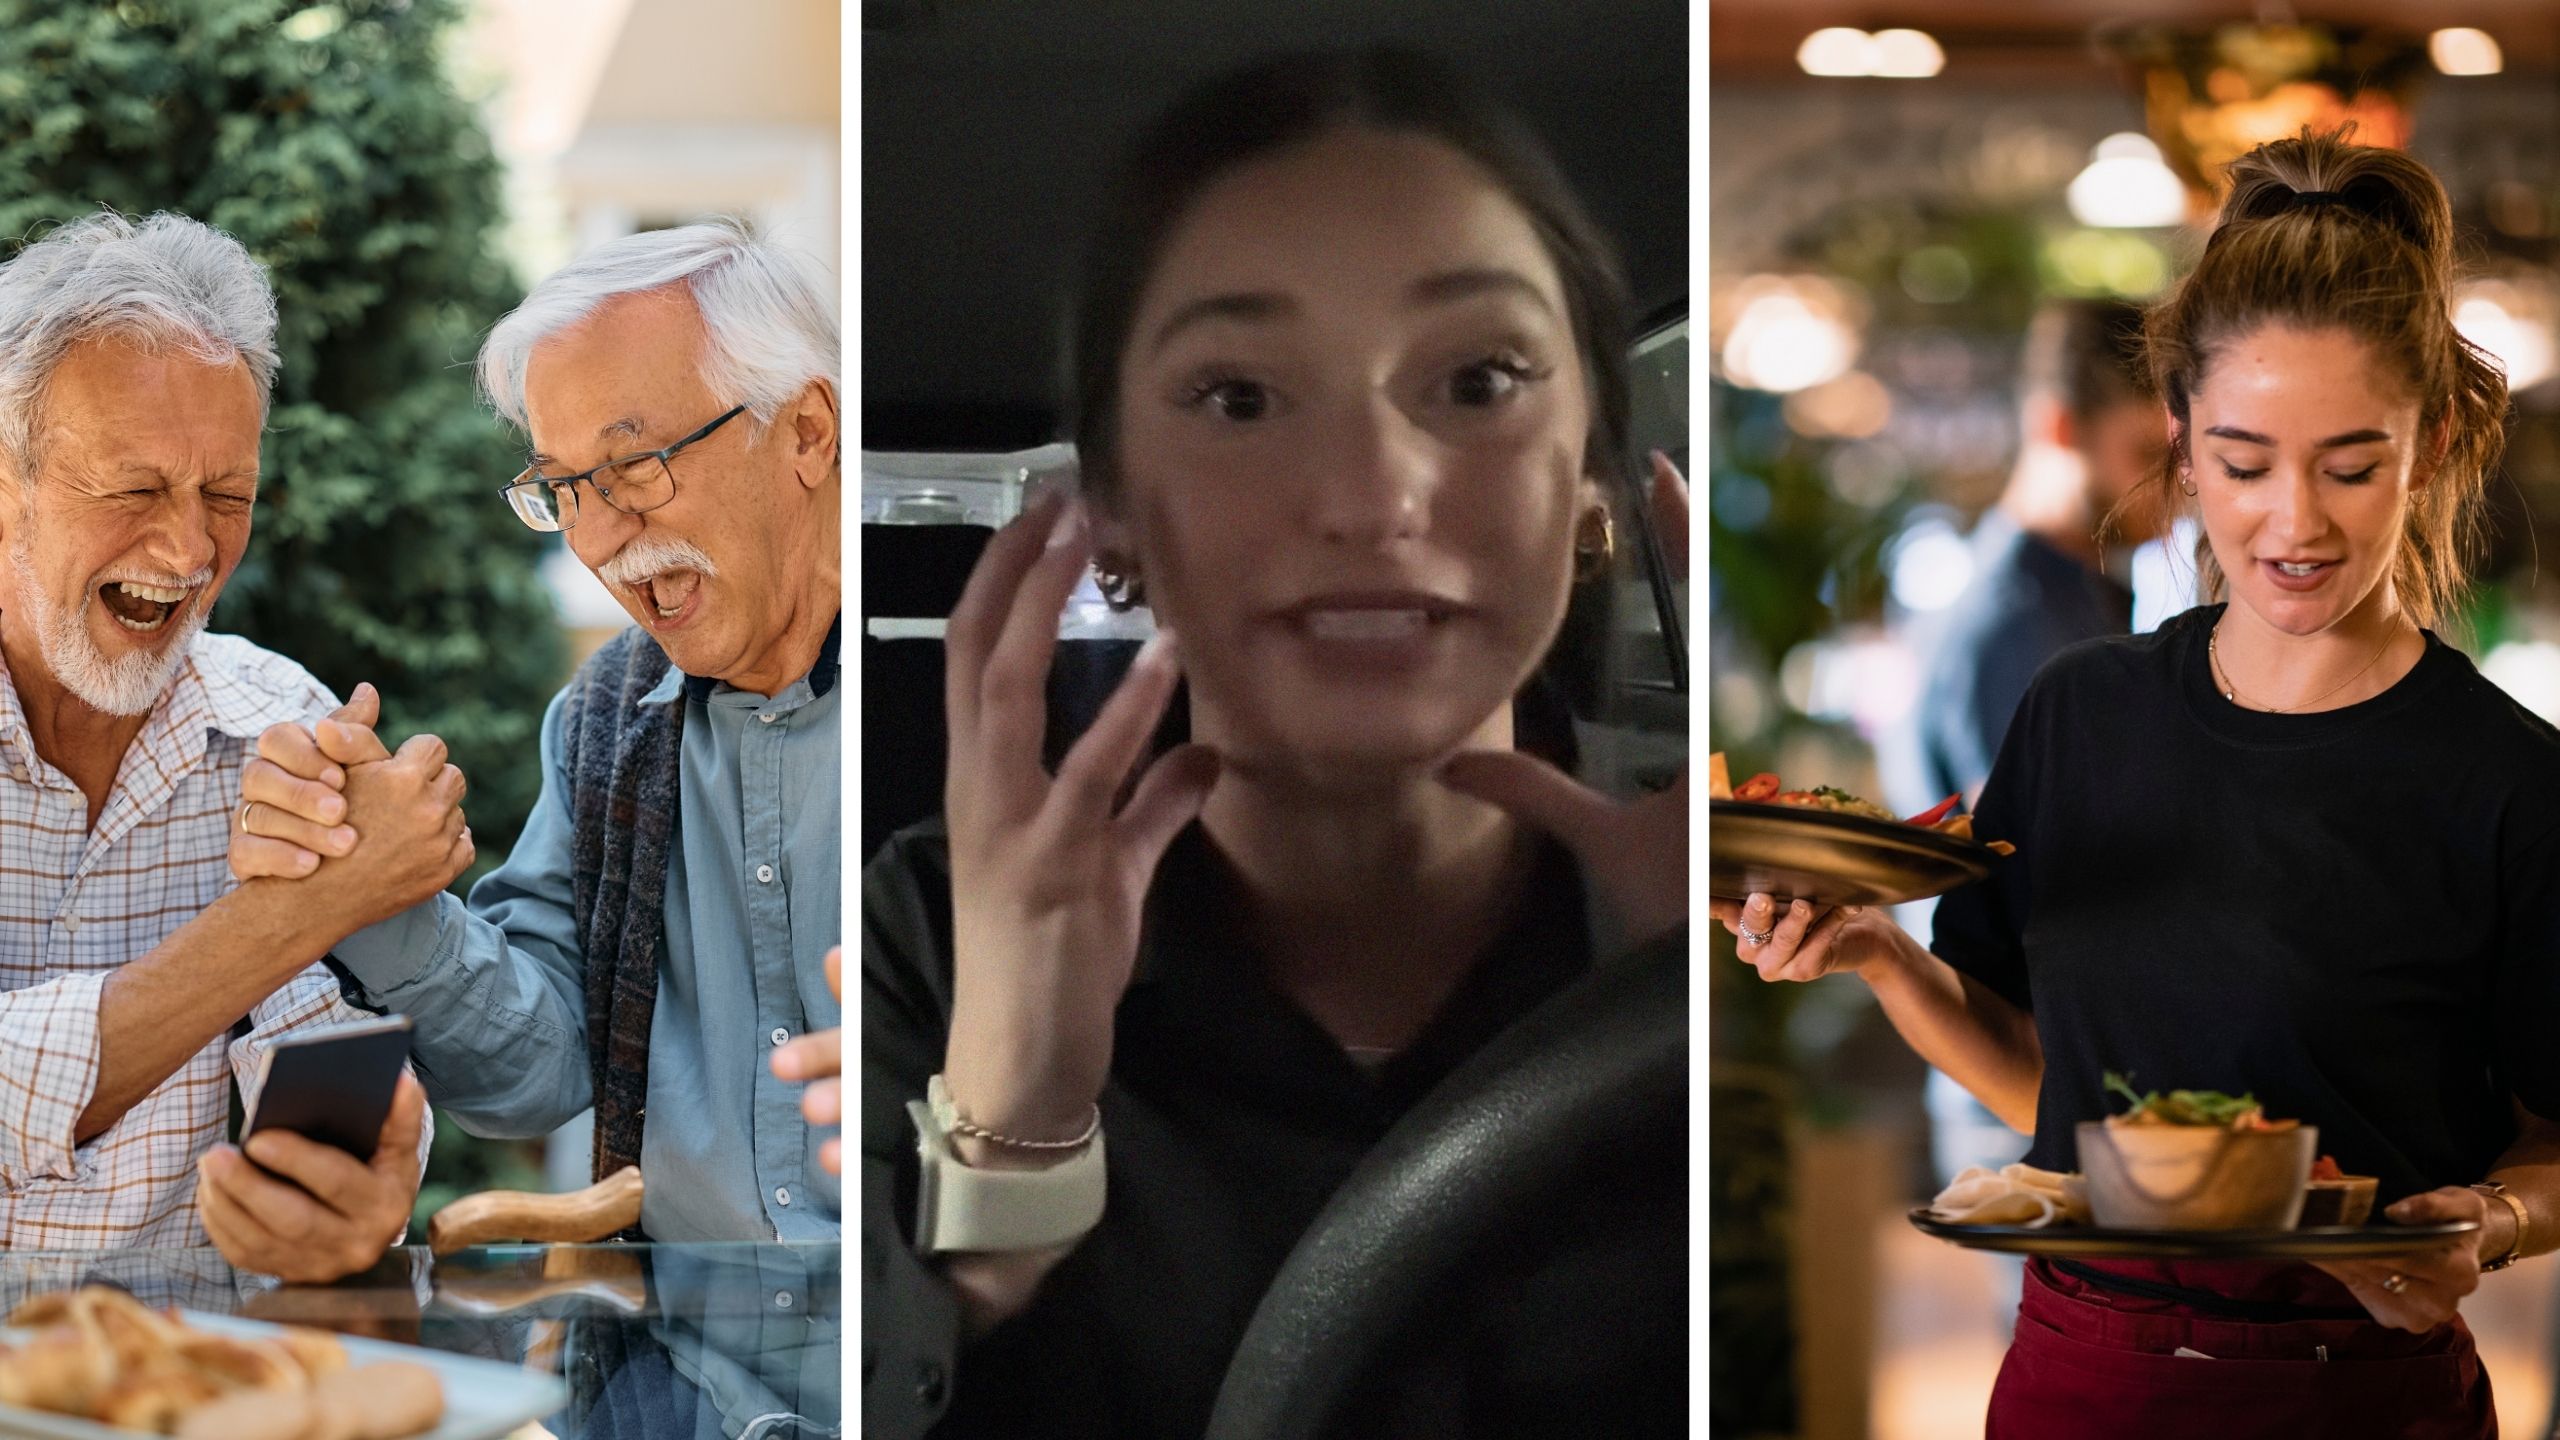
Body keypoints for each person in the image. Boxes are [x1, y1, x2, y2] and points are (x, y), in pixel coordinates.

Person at [861, 49, 1687, 1440]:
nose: (1370, 496)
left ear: (1595, 484)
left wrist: (1733, 1052)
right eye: (1239, 398)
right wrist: (1009, 1141)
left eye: (1478, 379)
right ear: (1113, 511)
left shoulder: (1726, 908)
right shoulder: (928, 930)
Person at [1720, 131, 2560, 1438]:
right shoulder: (2082, 713)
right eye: (2242, 462)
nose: (2294, 522)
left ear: (2433, 441)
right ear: (2179, 440)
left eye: (2351, 466)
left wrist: (2491, 1221)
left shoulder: (2508, 780)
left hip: (2358, 1394)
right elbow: (2045, 1085)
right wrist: (1881, 953)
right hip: (2078, 1378)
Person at [226, 220, 846, 1243]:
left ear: (808, 434)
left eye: (634, 465)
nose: (597, 538)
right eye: (562, 488)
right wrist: (370, 889)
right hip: (674, 1345)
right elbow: (535, 1075)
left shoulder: (955, 694)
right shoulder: (601, 719)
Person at [0, 211, 451, 1280]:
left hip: (193, 1369)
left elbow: (326, 1079)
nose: (189, 548)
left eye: (227, 496)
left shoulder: (284, 727)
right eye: (135, 489)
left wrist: (353, 1190)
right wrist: (293, 912)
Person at [1880, 299, 2168, 1220]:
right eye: (2149, 454)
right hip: (2028, 1076)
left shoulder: (2074, 602)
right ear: (2058, 428)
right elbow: (2055, 880)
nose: (2177, 488)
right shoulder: (2018, 625)